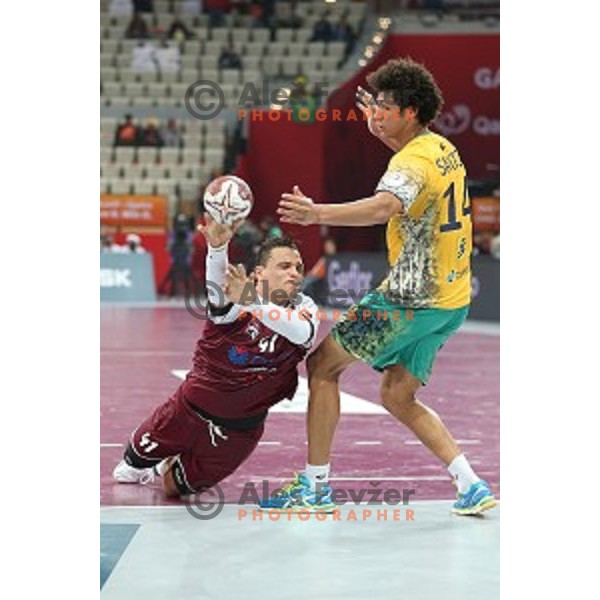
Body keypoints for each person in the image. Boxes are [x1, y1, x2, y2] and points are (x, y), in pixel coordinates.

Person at [261, 58, 496, 516]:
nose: (376, 112)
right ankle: (469, 484)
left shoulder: (408, 164)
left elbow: (385, 205)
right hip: (451, 300)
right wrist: (382, 131)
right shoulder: (441, 148)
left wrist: (316, 214)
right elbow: (411, 176)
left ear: (410, 112)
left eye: (385, 106)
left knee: (323, 366)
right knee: (396, 394)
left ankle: (314, 488)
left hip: (409, 298)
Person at [113, 217, 321, 498]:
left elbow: (299, 332)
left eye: (298, 267)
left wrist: (252, 300)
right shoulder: (237, 299)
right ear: (259, 272)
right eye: (284, 266)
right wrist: (218, 248)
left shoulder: (304, 308)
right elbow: (218, 291)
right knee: (128, 470)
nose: (295, 273)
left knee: (175, 488)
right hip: (186, 410)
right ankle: (155, 460)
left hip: (239, 432)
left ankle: (167, 465)